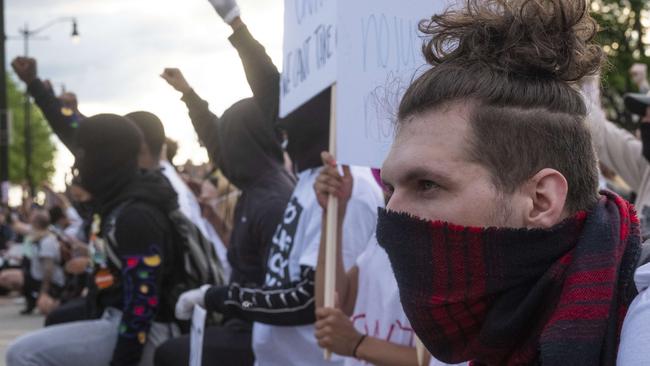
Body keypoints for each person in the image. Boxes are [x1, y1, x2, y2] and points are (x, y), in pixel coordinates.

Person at [372, 0, 645, 365]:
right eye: (390, 189)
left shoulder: (639, 322)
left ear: (540, 200)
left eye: (426, 184)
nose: (392, 215)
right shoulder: (482, 328)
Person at [6, 114, 185, 366]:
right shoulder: (119, 204)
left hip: (150, 331)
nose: (79, 164)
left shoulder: (136, 215)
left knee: (23, 353)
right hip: (117, 318)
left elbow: (142, 306)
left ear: (104, 159)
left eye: (84, 154)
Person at [155, 67, 296, 365]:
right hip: (243, 318)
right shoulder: (258, 185)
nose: (217, 155)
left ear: (241, 145)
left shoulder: (271, 202)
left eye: (226, 144)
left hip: (262, 332)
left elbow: (276, 296)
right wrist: (189, 95)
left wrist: (216, 297)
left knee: (168, 353)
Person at [11, 57, 85, 151]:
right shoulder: (81, 123)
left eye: (65, 103)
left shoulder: (78, 125)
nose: (64, 107)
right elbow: (63, 119)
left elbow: (65, 122)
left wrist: (34, 83)